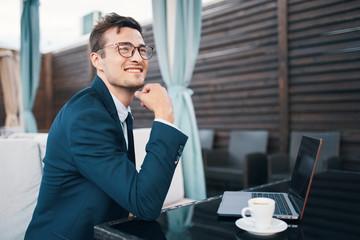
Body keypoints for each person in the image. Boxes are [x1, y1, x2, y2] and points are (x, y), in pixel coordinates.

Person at [25, 13, 188, 240]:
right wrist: (164, 116)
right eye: (124, 48)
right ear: (97, 60)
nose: (137, 57)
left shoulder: (115, 111)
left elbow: (131, 194)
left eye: (142, 50)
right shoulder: (87, 116)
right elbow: (145, 203)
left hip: (108, 230)